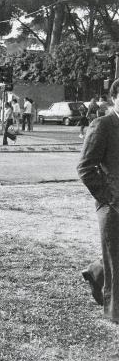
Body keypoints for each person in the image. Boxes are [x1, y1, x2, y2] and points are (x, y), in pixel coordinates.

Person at [77, 79, 119, 323]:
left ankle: (96, 272)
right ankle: (115, 312)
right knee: (116, 256)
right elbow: (85, 167)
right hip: (112, 203)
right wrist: (107, 196)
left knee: (116, 254)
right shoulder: (102, 125)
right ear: (114, 97)